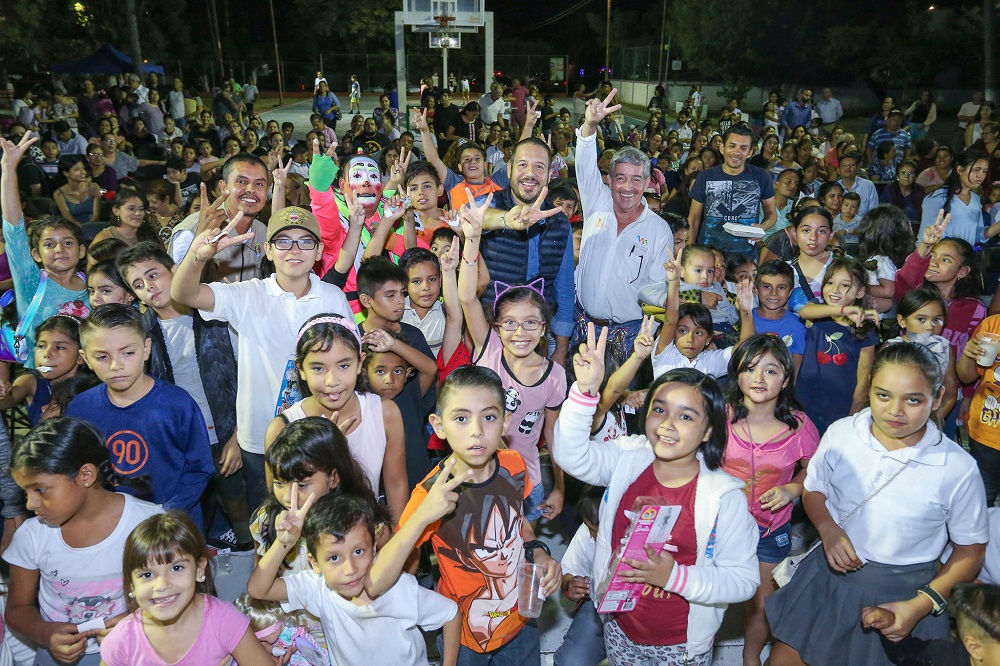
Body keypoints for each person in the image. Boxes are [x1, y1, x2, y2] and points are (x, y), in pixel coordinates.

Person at [766, 343, 989, 666]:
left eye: (913, 400)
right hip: (828, 579)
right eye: (883, 395)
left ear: (938, 398)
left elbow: (971, 551)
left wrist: (921, 605)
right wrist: (828, 529)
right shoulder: (842, 434)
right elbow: (814, 489)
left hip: (904, 596)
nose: (895, 411)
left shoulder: (957, 468)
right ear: (869, 387)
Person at [555, 327, 759, 665]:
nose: (667, 424)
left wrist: (673, 576)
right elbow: (571, 456)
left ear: (708, 430)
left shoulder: (723, 498)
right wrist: (585, 393)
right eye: (660, 409)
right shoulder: (628, 458)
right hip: (619, 628)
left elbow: (743, 580)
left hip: (679, 645)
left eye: (686, 416)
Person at [170, 206, 353, 510]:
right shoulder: (247, 294)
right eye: (283, 241)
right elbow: (183, 294)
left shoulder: (333, 297)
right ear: (268, 250)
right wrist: (197, 257)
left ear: (319, 251)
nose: (294, 250)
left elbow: (348, 361)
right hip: (259, 435)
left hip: (320, 430)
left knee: (323, 512)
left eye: (305, 241)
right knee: (268, 517)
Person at [397, 366, 562, 663]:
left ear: (505, 421)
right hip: (463, 636)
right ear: (439, 426)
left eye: (489, 417)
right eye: (461, 418)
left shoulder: (513, 465)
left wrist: (538, 552)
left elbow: (520, 524)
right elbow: (397, 563)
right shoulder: (430, 495)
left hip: (521, 619)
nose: (476, 430)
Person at [248, 474, 467, 666]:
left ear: (374, 548)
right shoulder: (317, 588)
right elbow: (258, 589)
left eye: (359, 552)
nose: (350, 569)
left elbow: (450, 615)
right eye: (334, 557)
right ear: (314, 562)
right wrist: (283, 543)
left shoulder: (399, 589)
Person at [116, 242, 251, 551]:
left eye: (153, 275)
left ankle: (248, 549)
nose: (149, 287)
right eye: (138, 284)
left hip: (229, 430)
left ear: (175, 270)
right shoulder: (141, 335)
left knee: (239, 500)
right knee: (188, 512)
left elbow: (249, 377)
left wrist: (238, 434)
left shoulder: (215, 315)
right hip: (180, 439)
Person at [3, 417, 163, 666]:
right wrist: (44, 632)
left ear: (86, 476)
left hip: (138, 650)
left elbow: (180, 593)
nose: (30, 504)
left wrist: (139, 620)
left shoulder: (148, 523)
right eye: (26, 492)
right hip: (57, 657)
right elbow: (17, 608)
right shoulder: (33, 536)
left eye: (40, 490)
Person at [457, 213, 568, 521]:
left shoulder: (555, 376)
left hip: (526, 483)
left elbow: (553, 435)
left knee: (524, 547)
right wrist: (473, 238)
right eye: (509, 323)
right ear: (497, 326)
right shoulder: (489, 347)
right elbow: (467, 297)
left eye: (530, 323)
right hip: (478, 476)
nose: (520, 332)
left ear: (544, 328)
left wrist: (560, 488)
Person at [65, 304, 214, 524]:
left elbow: (200, 469)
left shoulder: (177, 405)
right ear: (85, 358)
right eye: (102, 357)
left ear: (146, 349)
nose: (116, 365)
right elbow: (74, 468)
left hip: (171, 525)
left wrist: (166, 514)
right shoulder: (80, 408)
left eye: (128, 353)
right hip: (107, 524)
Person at [722, 336, 819, 666]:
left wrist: (793, 489)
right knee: (705, 593)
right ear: (737, 374)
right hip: (718, 528)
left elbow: (814, 469)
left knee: (762, 604)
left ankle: (750, 658)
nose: (759, 378)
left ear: (786, 379)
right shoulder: (720, 417)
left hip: (770, 530)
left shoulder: (799, 426)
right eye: (750, 369)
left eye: (771, 370)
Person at [263, 316, 409, 523]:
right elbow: (280, 503)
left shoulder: (385, 413)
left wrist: (398, 537)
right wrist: (328, 446)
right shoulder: (281, 428)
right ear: (301, 369)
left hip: (370, 533)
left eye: (343, 366)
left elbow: (396, 484)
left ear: (360, 363)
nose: (332, 381)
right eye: (318, 368)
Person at [572, 87, 673, 373]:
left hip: (628, 336)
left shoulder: (659, 230)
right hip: (582, 327)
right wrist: (590, 125)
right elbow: (584, 165)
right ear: (610, 180)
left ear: (648, 182)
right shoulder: (596, 202)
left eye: (636, 179)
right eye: (620, 178)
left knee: (619, 399)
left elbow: (658, 291)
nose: (627, 187)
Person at [99, 511, 272, 665]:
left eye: (176, 568)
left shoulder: (224, 621)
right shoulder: (121, 642)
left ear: (199, 569)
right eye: (147, 575)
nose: (162, 585)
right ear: (131, 585)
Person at [253, 417, 386, 577]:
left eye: (302, 485)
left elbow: (382, 578)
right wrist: (282, 544)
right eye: (279, 483)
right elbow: (259, 581)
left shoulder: (364, 525)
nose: (288, 497)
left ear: (333, 478)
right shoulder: (267, 520)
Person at [1, 133, 90, 367]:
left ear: (82, 251)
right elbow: (13, 229)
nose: (60, 249)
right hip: (41, 374)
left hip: (86, 375)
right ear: (36, 255)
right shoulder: (30, 280)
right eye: (49, 244)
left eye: (68, 243)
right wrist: (9, 169)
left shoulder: (93, 285)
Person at [794, 257, 880, 435]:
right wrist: (842, 310)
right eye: (830, 282)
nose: (835, 290)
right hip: (804, 406)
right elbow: (804, 312)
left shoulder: (865, 330)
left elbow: (863, 377)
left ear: (860, 292)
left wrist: (853, 415)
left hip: (840, 410)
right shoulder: (816, 314)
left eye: (845, 285)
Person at [168, 154, 270, 283]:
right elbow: (176, 288)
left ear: (267, 191)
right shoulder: (192, 228)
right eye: (241, 182)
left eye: (259, 184)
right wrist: (199, 248)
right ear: (223, 187)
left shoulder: (263, 231)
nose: (251, 189)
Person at [688, 126, 776, 255]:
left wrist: (762, 227)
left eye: (743, 148)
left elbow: (772, 214)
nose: (737, 152)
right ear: (722, 148)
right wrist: (688, 252)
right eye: (732, 146)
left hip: (745, 255)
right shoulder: (705, 176)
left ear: (750, 152)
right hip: (709, 254)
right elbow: (693, 219)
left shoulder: (761, 176)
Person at [0, 315, 86, 426]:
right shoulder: (31, 381)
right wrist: (3, 395)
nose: (46, 354)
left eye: (59, 347)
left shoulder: (91, 388)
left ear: (81, 357)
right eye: (41, 346)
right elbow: (8, 401)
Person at [918, 149, 993, 246]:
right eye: (976, 170)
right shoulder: (938, 197)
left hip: (965, 255)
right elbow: (924, 239)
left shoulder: (975, 199)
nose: (981, 175)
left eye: (984, 171)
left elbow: (977, 235)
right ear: (960, 170)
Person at [753, 260, 807, 376]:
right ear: (756, 289)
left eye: (781, 287)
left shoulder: (797, 325)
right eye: (767, 286)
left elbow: (796, 368)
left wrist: (791, 385)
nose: (774, 293)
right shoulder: (747, 319)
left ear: (790, 292)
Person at [52, 155, 100, 224]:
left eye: (83, 168)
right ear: (66, 173)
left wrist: (87, 227)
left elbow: (96, 217)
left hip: (92, 226)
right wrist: (80, 228)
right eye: (77, 169)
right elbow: (69, 220)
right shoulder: (59, 193)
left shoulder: (93, 187)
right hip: (72, 227)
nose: (83, 172)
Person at [837, 151, 879, 217]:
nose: (848, 168)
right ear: (838, 170)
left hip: (864, 222)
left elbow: (874, 212)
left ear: (857, 169)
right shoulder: (834, 187)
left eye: (852, 165)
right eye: (844, 166)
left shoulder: (868, 185)